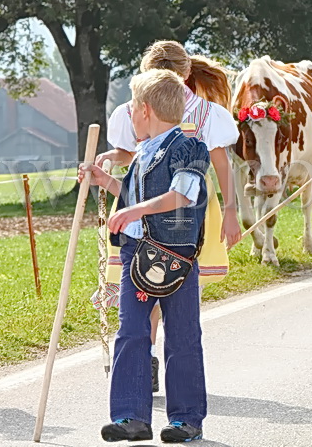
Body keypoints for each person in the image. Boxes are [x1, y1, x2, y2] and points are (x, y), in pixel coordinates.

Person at [94, 41, 239, 392]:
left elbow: (221, 164)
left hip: (184, 209)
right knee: (140, 283)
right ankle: (146, 357)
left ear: (185, 76)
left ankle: (158, 360)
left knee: (168, 280)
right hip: (137, 201)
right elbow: (136, 156)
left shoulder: (206, 114)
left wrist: (232, 211)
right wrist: (110, 158)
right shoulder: (135, 108)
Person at [79, 69, 210, 443]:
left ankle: (186, 419)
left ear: (145, 109)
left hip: (174, 256)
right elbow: (137, 198)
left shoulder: (188, 146)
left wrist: (132, 212)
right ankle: (130, 416)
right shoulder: (144, 151)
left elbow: (182, 195)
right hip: (138, 253)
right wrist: (106, 183)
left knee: (182, 334)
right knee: (131, 331)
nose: (130, 115)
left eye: (131, 107)